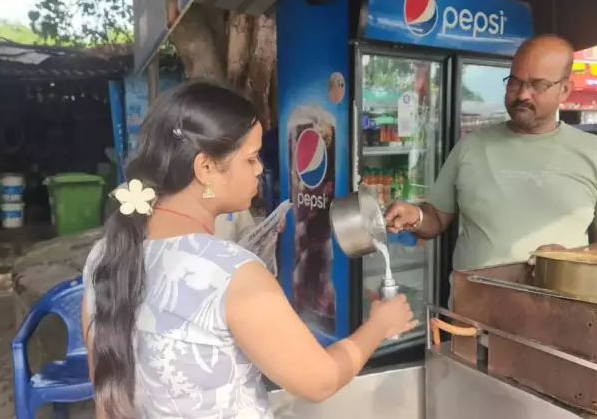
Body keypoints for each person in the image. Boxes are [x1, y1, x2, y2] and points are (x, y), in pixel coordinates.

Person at [81, 80, 417, 419]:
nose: (260, 169)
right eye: (251, 158)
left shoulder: (103, 256)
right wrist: (379, 325)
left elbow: (105, 391)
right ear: (206, 168)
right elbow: (321, 380)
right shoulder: (231, 274)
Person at [385, 35, 597, 286]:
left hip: (560, 316)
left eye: (538, 85)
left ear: (565, 90)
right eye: (515, 82)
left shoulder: (596, 154)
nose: (523, 94)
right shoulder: (471, 147)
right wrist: (415, 216)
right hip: (474, 316)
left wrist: (574, 258)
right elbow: (437, 218)